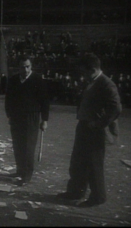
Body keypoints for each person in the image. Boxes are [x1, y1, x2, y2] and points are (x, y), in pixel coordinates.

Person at [57, 53, 122, 207]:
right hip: (84, 126)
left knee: (94, 164)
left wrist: (99, 123)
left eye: (84, 71)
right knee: (78, 162)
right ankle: (75, 192)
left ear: (92, 69)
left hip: (95, 130)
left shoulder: (106, 83)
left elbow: (116, 108)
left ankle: (98, 197)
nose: (82, 75)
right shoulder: (92, 81)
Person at [5, 55, 50, 186]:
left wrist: (45, 120)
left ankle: (27, 175)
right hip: (16, 117)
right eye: (22, 67)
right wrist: (9, 115)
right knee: (17, 144)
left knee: (28, 147)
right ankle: (19, 171)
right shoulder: (13, 80)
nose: (25, 69)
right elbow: (8, 99)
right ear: (18, 68)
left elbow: (45, 101)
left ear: (31, 66)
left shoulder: (38, 80)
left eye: (27, 66)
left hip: (32, 117)